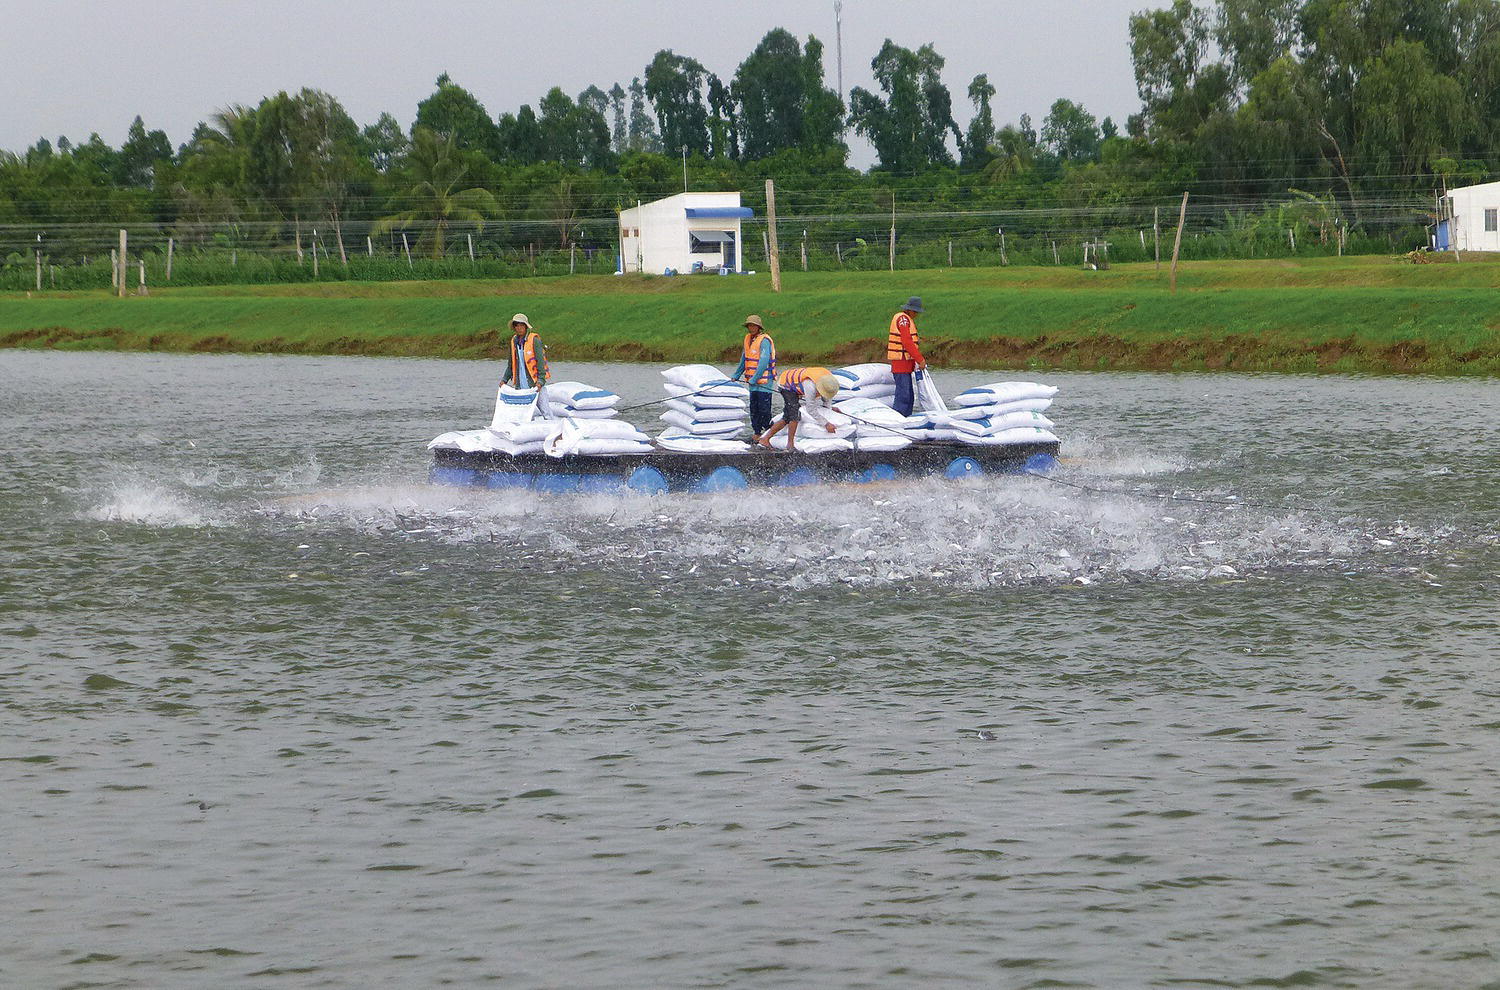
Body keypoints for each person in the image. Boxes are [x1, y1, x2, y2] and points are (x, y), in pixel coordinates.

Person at [757, 367, 840, 452]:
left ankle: (765, 439)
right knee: (794, 415)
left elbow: (827, 401)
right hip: (786, 384)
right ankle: (790, 445)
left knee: (787, 417)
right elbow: (810, 408)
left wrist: (829, 409)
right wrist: (826, 424)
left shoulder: (829, 383)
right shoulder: (810, 385)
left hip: (798, 385)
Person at [730, 314, 776, 435]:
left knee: (764, 409)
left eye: (753, 325)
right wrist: (736, 375)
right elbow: (744, 359)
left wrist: (755, 378)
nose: (751, 328)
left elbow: (764, 361)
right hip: (752, 383)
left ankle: (768, 433)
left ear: (758, 327)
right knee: (754, 409)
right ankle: (757, 433)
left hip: (764, 382)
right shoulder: (748, 339)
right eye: (749, 325)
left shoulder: (764, 340)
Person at [887, 295, 928, 417]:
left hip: (906, 364)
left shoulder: (905, 319)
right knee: (904, 395)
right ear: (909, 310)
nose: (916, 314)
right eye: (915, 311)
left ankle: (906, 419)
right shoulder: (903, 320)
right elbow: (907, 342)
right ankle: (899, 420)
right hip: (901, 363)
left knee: (909, 395)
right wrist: (920, 359)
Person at [501, 313, 548, 389]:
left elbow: (540, 363)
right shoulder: (514, 341)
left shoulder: (535, 341)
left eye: (521, 325)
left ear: (526, 326)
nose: (519, 328)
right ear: (514, 327)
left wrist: (540, 382)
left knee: (541, 400)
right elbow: (511, 364)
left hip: (534, 383)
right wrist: (504, 380)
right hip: (520, 384)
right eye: (517, 325)